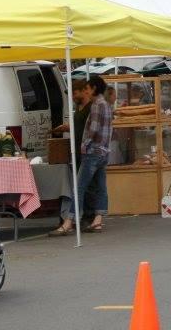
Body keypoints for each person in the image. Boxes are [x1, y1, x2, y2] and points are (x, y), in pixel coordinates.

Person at [51, 76, 112, 235]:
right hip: (103, 151)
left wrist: (84, 145)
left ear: (93, 88)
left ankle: (68, 221)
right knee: (100, 187)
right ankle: (98, 220)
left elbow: (93, 128)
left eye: (87, 89)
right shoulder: (105, 104)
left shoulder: (97, 105)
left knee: (79, 187)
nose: (86, 91)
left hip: (93, 152)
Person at [52, 79, 97, 222]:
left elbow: (92, 130)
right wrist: (67, 127)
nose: (72, 96)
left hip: (88, 151)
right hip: (77, 150)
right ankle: (85, 213)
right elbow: (78, 126)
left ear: (84, 91)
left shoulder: (91, 108)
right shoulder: (79, 108)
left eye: (74, 93)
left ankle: (89, 215)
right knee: (81, 183)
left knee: (86, 184)